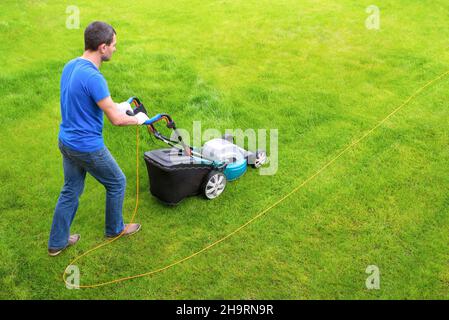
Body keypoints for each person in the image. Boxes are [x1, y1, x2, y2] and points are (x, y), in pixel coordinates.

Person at [48, 21, 149, 256]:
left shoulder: (71, 66)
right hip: (86, 146)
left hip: (66, 141)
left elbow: (92, 103)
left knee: (71, 189)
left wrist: (122, 105)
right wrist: (139, 119)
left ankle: (57, 242)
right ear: (102, 47)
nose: (115, 49)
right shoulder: (94, 78)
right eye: (113, 45)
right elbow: (115, 119)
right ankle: (115, 229)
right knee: (117, 182)